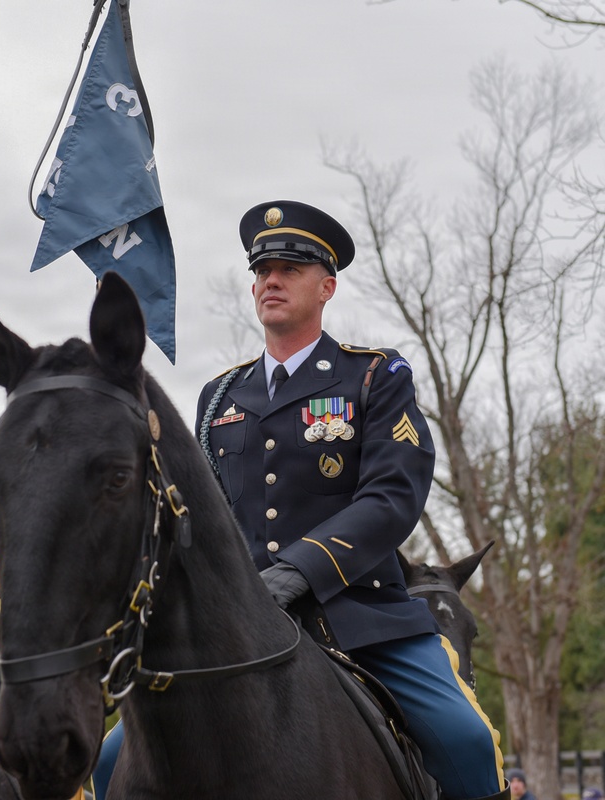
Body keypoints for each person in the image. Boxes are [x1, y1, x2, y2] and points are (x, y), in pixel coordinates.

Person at [193, 199, 507, 800]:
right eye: (261, 271)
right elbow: (203, 518)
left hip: (361, 617)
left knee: (468, 743)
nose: (271, 281)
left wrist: (299, 571)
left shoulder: (373, 376)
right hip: (241, 626)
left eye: (289, 268)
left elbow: (393, 495)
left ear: (327, 285)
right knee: (111, 762)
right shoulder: (219, 396)